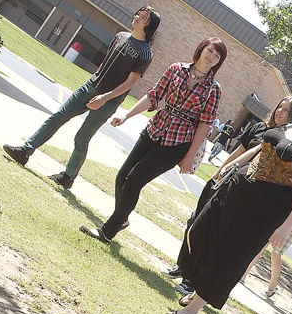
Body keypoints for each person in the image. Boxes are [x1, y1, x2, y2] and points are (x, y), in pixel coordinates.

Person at [167, 93, 292, 314]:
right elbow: (259, 149)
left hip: (261, 215)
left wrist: (285, 229)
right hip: (235, 189)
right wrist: (231, 165)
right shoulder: (288, 129)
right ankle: (198, 285)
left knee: (229, 257)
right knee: (199, 230)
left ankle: (193, 308)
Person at [80, 38, 225, 244]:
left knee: (135, 180)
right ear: (201, 49)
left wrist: (189, 156)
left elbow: (204, 124)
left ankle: (107, 231)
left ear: (218, 62)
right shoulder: (176, 69)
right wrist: (126, 115)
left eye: (217, 56)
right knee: (122, 177)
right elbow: (154, 96)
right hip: (155, 128)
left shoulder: (214, 89)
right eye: (210, 51)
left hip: (178, 141)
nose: (211, 57)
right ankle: (122, 218)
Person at [3, 6, 159, 189]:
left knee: (82, 138)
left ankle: (68, 177)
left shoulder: (145, 53)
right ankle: (25, 151)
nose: (137, 17)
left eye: (143, 17)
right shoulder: (121, 36)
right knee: (58, 116)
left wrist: (104, 98)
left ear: (150, 26)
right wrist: (93, 81)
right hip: (89, 87)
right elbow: (105, 62)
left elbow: (130, 83)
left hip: (108, 101)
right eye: (138, 14)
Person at [163, 96, 292, 288]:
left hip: (244, 193)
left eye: (286, 110)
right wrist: (218, 174)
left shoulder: (288, 144)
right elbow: (238, 153)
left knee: (215, 233)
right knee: (195, 222)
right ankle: (183, 266)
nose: (279, 111)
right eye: (279, 106)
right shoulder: (259, 128)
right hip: (226, 179)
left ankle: (192, 280)